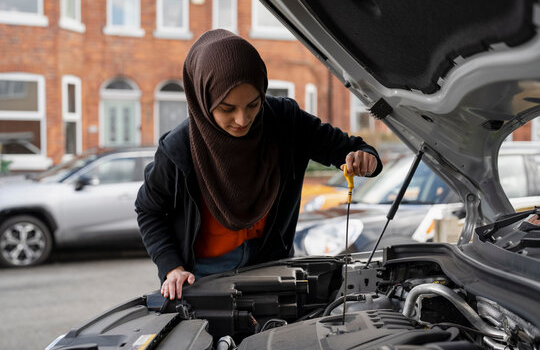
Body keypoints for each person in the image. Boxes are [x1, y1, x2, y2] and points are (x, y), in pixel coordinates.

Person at [135, 29, 382, 300]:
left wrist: (365, 158)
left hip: (271, 265)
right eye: (227, 109)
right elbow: (149, 211)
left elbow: (349, 149)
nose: (242, 119)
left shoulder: (285, 120)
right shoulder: (177, 150)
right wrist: (172, 267)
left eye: (253, 104)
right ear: (202, 100)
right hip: (204, 275)